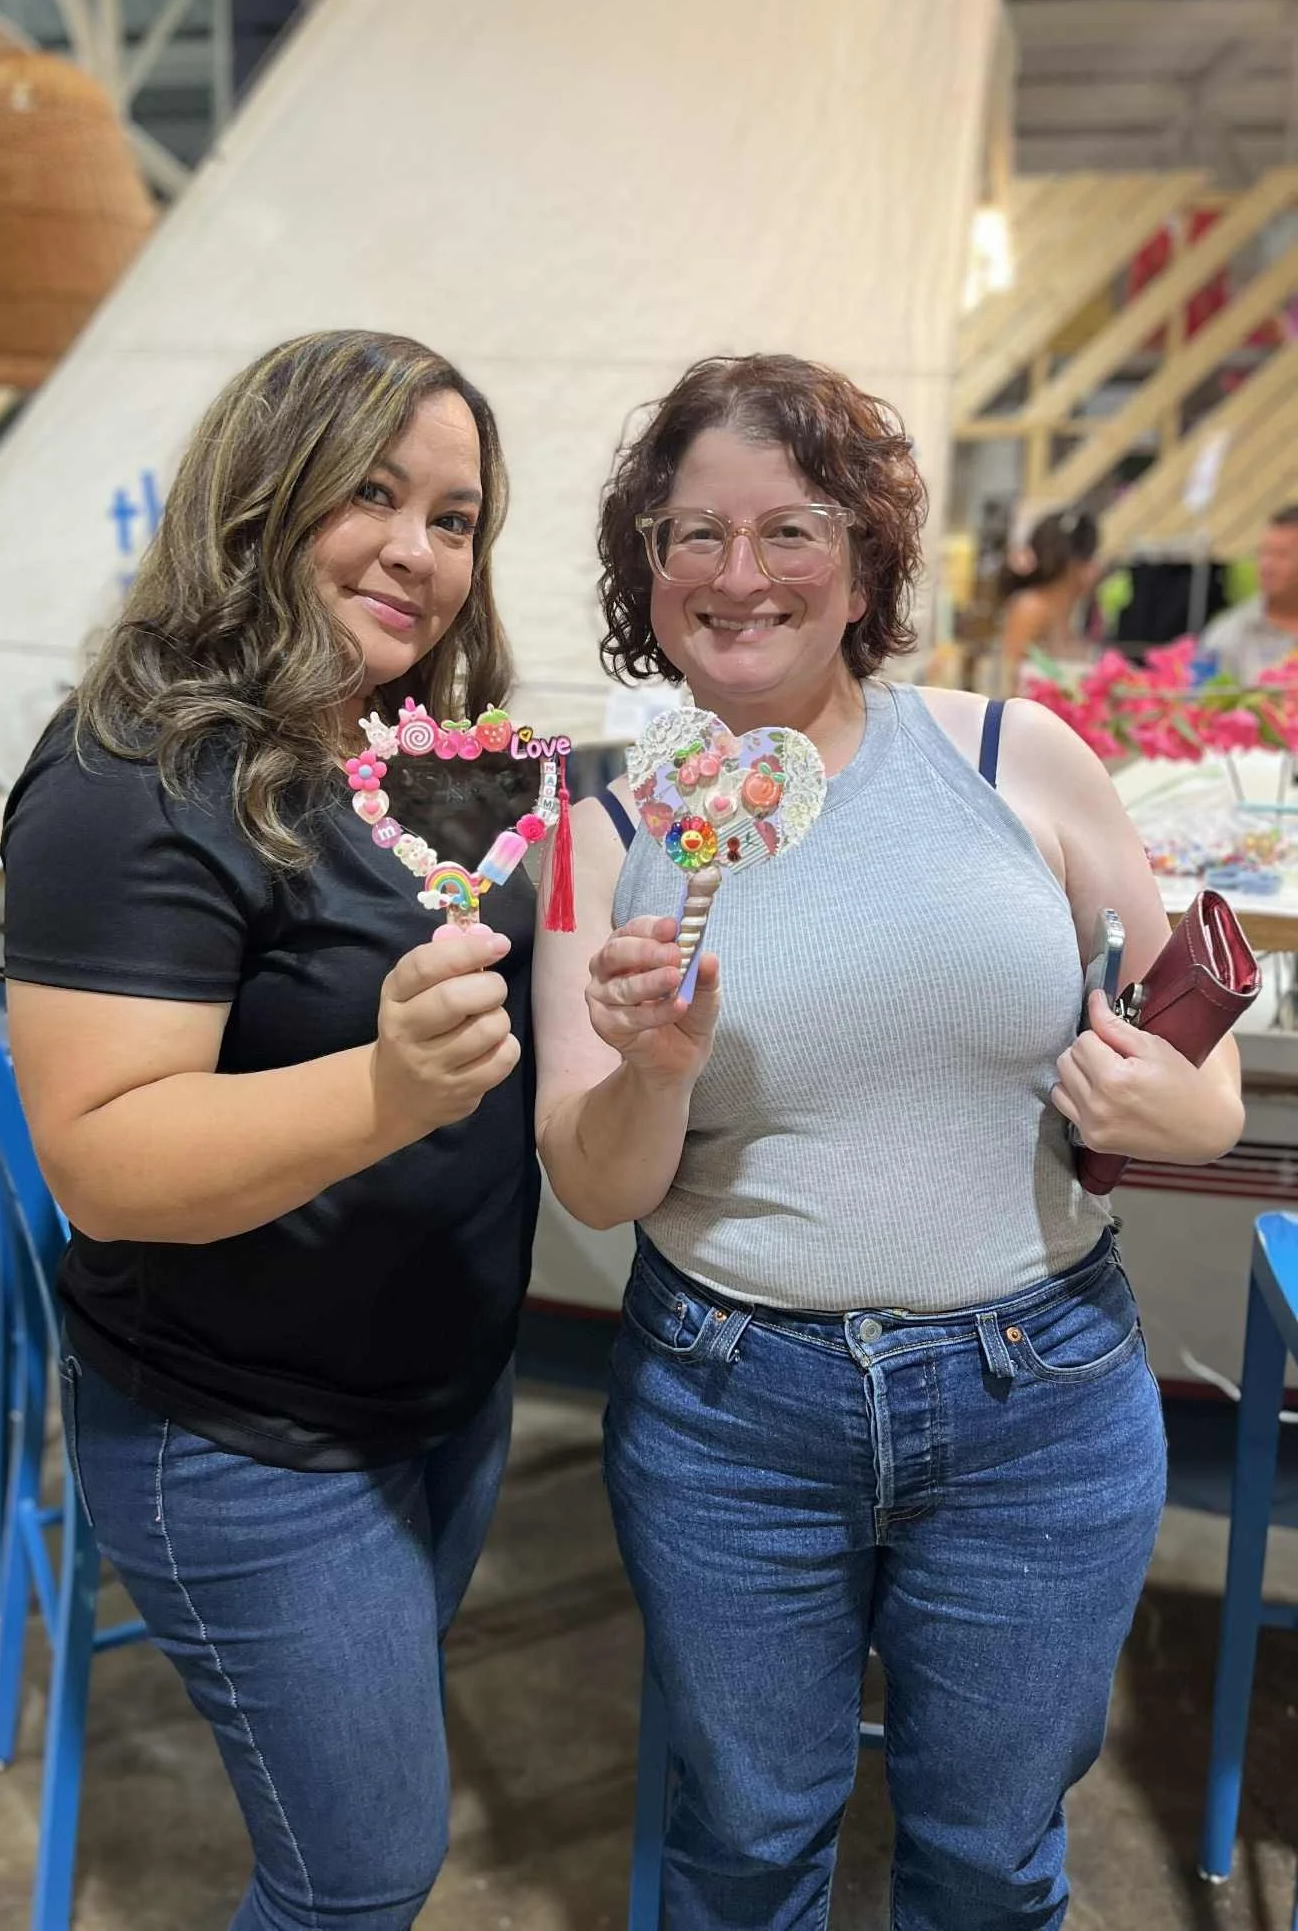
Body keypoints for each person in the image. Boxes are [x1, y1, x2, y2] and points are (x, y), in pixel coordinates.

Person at [533, 354, 1245, 1929]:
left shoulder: (1018, 757)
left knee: (991, 1860)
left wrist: (1179, 1111)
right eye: (690, 534)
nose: (739, 575)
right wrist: (652, 1073)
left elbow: (1205, 1068)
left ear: (863, 558)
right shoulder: (605, 834)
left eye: (791, 529)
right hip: (730, 1413)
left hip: (1039, 1405)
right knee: (743, 1843)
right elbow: (593, 1182)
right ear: (643, 567)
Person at [1, 330, 541, 1931]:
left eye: (455, 519)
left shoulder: (401, 756)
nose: (418, 551)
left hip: (432, 1399)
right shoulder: (138, 775)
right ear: (259, 492)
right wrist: (388, 1088)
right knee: (359, 1877)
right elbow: (102, 1162)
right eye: (369, 494)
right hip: (241, 1436)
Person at [995, 506, 1102, 696]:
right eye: (1091, 559)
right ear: (1074, 565)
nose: (1097, 570)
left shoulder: (1073, 614)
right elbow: (1007, 683)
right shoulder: (1030, 608)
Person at [1200, 503, 1298, 684]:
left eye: (1282, 555)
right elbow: (1201, 705)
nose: (1267, 566)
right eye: (1263, 554)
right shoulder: (1227, 636)